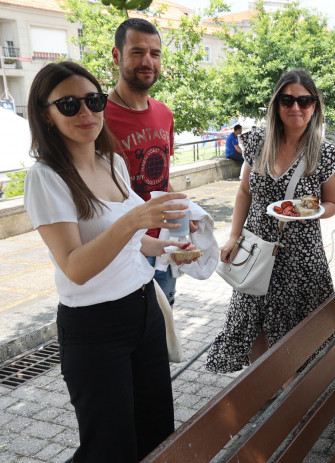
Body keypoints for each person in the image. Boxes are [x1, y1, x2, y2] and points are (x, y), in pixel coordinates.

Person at [23, 61, 196, 462]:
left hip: (144, 309)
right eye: (68, 105)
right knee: (109, 447)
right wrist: (135, 220)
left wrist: (170, 247)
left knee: (156, 431)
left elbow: (133, 243)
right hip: (96, 327)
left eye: (93, 100)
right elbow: (75, 267)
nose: (86, 113)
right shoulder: (47, 178)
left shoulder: (112, 162)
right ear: (46, 116)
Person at [205, 68, 335, 373]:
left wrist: (311, 210)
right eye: (287, 100)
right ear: (276, 105)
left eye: (304, 101)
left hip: (301, 256)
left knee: (295, 332)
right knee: (255, 327)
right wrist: (233, 236)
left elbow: (333, 203)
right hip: (256, 249)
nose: (296, 107)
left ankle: (288, 392)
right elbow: (244, 192)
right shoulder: (257, 142)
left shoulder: (327, 154)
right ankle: (262, 392)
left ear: (314, 107)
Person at [105, 18, 195, 307]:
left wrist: (185, 214)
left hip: (162, 246)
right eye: (137, 52)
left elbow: (161, 179)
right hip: (120, 249)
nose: (148, 61)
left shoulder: (164, 114)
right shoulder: (96, 117)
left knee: (162, 331)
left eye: (155, 54)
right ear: (117, 55)